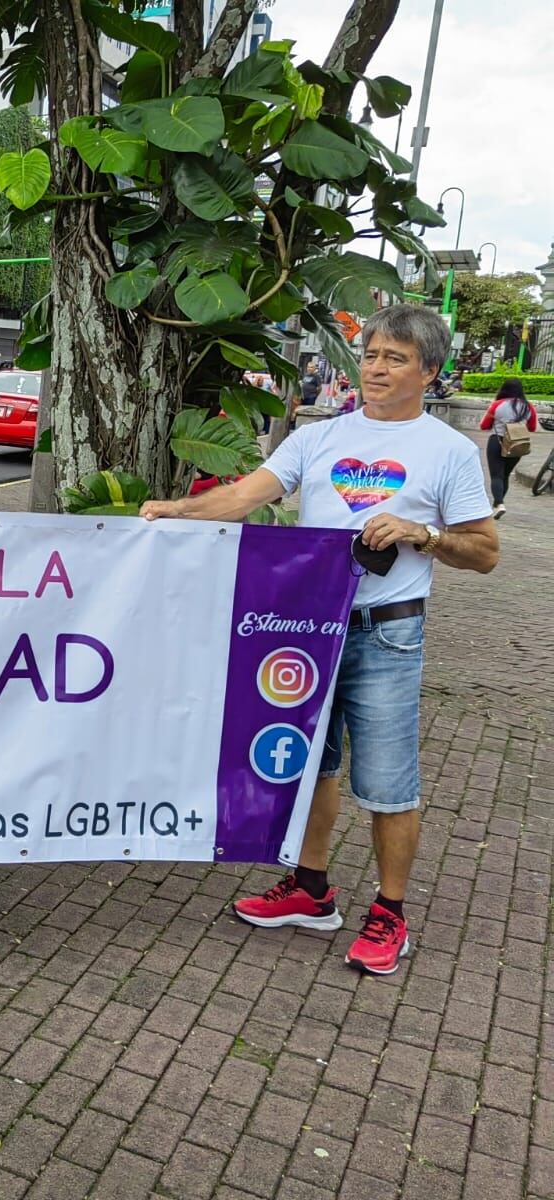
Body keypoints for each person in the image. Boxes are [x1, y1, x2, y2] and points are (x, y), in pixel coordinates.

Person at [141, 304, 498, 977]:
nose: (376, 368)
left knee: (389, 784)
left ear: (429, 370)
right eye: (370, 355)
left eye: (394, 358)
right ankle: (311, 890)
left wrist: (425, 535)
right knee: (313, 766)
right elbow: (245, 496)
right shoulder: (320, 437)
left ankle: (390, 912)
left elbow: (484, 552)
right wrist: (177, 511)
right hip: (307, 630)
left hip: (388, 634)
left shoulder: (448, 452)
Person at [480, 377, 537, 518]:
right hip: (517, 443)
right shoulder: (528, 406)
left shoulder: (497, 405)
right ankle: (497, 504)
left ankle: (499, 503)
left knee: (496, 475)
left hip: (497, 441)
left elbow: (484, 425)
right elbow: (532, 427)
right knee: (505, 475)